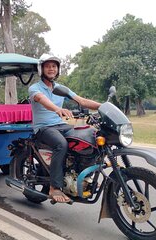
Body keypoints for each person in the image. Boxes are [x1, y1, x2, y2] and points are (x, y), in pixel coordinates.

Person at [29, 54, 101, 203]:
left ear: (58, 69)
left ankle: (82, 175)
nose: (51, 69)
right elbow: (43, 100)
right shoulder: (35, 88)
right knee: (61, 144)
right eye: (48, 66)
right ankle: (54, 187)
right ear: (41, 69)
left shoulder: (60, 89)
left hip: (61, 125)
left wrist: (103, 106)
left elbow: (81, 100)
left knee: (89, 136)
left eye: (54, 66)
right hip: (43, 128)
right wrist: (57, 109)